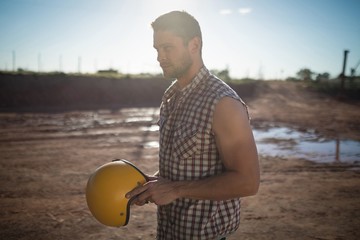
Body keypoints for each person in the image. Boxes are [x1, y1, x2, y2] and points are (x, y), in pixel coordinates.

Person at [126, 10, 260, 240]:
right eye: (157, 49)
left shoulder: (223, 103)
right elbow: (186, 163)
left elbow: (247, 182)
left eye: (168, 47)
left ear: (194, 45)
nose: (160, 57)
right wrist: (156, 183)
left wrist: (175, 189)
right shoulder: (171, 96)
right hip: (169, 232)